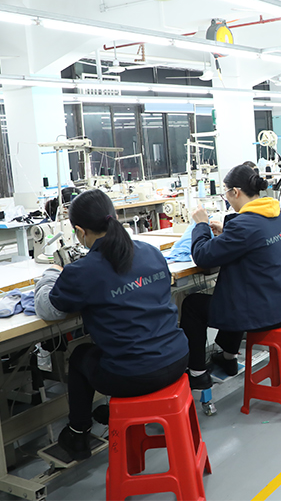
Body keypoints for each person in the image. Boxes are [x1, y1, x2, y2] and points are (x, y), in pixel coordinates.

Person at [34, 189, 189, 462]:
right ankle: (115, 412)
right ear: (114, 217)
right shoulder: (151, 252)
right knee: (113, 351)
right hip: (178, 359)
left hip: (136, 376)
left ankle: (78, 434)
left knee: (81, 355)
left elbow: (48, 308)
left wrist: (50, 274)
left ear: (79, 232)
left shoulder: (83, 271)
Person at [180, 165, 281, 389]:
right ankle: (228, 358)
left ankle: (197, 373)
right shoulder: (277, 212)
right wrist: (227, 232)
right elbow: (254, 237)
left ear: (235, 192)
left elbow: (203, 256)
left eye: (225, 193)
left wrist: (201, 225)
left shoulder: (244, 225)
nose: (226, 199)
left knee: (193, 305)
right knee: (235, 286)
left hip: (265, 313)